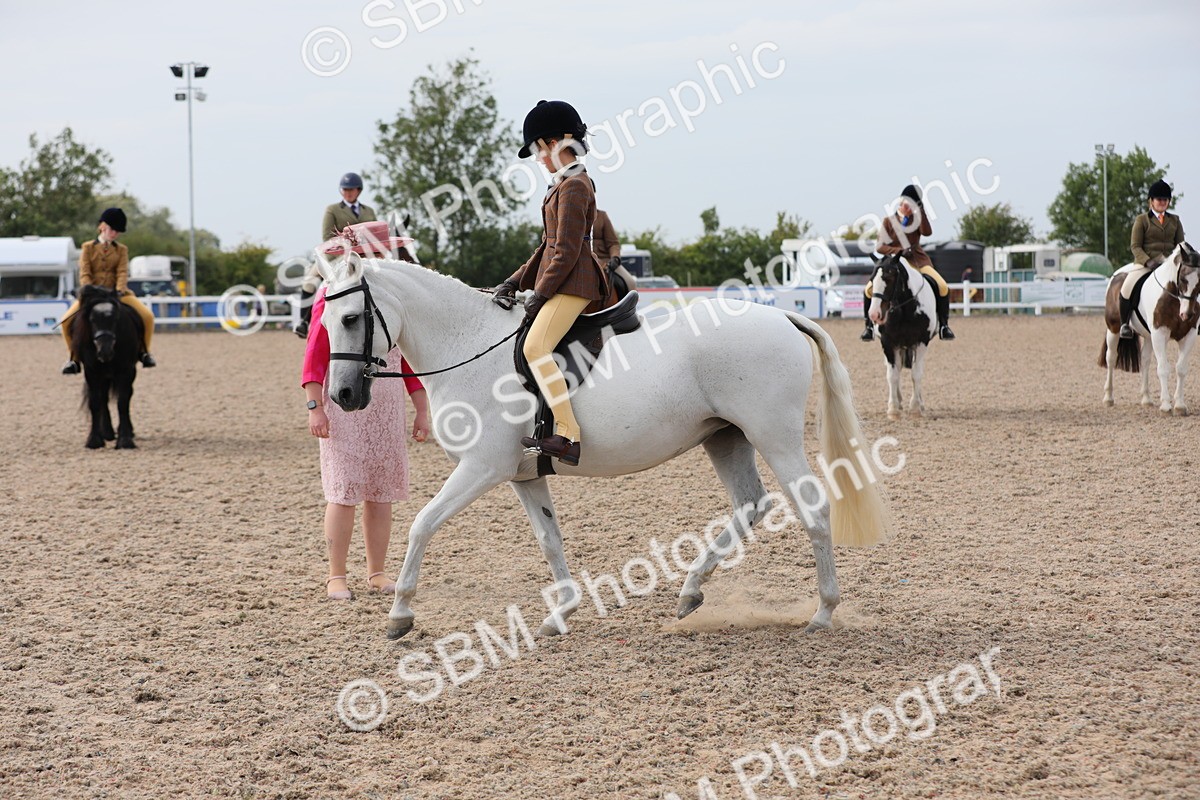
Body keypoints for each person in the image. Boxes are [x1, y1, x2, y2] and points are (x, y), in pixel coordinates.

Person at [492, 100, 612, 467]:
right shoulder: (561, 184)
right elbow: (546, 246)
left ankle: (568, 435)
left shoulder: (575, 186)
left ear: (558, 142)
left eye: (540, 149)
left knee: (535, 347)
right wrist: (513, 282)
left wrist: (540, 293)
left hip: (576, 283)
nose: (539, 158)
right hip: (564, 280)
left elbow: (567, 251)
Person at [301, 285, 430, 600]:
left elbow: (408, 362)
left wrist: (422, 410)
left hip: (386, 411)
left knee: (381, 493)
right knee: (343, 492)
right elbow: (316, 352)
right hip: (344, 408)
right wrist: (315, 407)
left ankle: (377, 572)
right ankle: (336, 575)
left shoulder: (392, 296)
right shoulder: (333, 294)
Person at [61, 208, 157, 373]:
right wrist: (89, 289)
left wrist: (119, 289)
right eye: (112, 230)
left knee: (148, 316)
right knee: (65, 321)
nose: (115, 234)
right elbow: (85, 272)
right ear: (102, 226)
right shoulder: (87, 248)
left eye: (117, 232)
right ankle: (74, 358)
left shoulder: (121, 250)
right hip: (92, 294)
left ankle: (144, 352)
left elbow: (122, 272)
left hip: (117, 293)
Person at [861, 185, 955, 342]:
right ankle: (869, 327)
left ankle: (944, 326)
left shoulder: (917, 220)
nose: (909, 208)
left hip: (917, 261)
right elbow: (880, 247)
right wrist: (899, 250)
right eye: (907, 204)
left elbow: (927, 232)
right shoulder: (888, 222)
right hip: (893, 264)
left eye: (913, 205)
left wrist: (921, 211)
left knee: (942, 285)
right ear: (901, 202)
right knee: (868, 290)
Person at [296, 173, 379, 338]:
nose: (348, 193)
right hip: (336, 256)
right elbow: (327, 236)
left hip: (365, 256)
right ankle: (303, 322)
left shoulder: (369, 211)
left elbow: (375, 232)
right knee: (309, 283)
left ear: (359, 190)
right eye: (345, 190)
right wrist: (349, 245)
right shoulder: (332, 209)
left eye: (352, 190)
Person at [1119, 179, 1185, 338]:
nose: (1162, 202)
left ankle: (1194, 319)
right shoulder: (1142, 220)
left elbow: (1180, 245)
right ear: (1151, 201)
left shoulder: (1175, 220)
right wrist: (1148, 261)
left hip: (1169, 265)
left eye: (1165, 199)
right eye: (1159, 199)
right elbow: (1135, 246)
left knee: (1190, 282)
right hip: (1146, 264)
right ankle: (1124, 324)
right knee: (1127, 286)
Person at [592, 199, 636, 300]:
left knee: (630, 282)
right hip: (583, 260)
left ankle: (629, 308)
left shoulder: (602, 216)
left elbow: (613, 243)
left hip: (605, 261)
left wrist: (615, 258)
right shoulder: (573, 217)